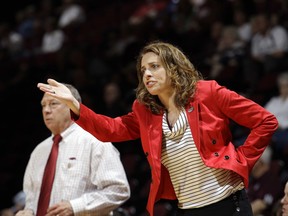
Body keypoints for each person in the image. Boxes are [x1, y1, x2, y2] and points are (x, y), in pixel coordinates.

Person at [37, 41, 278, 216]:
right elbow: (109, 129)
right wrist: (74, 104)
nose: (147, 74)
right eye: (143, 70)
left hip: (228, 203)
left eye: (154, 67)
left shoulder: (208, 92)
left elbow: (266, 121)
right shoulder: (146, 111)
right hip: (189, 209)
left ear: (173, 68)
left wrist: (242, 160)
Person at [16, 83, 130, 216]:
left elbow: (118, 190)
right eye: (43, 105)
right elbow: (31, 197)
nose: (46, 110)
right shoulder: (39, 151)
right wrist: (29, 211)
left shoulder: (95, 141)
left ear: (72, 106)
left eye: (53, 103)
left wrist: (75, 207)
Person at [247, 146, 283, 216]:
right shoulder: (252, 179)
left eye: (252, 159)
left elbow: (261, 205)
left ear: (260, 162)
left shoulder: (272, 181)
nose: (248, 162)